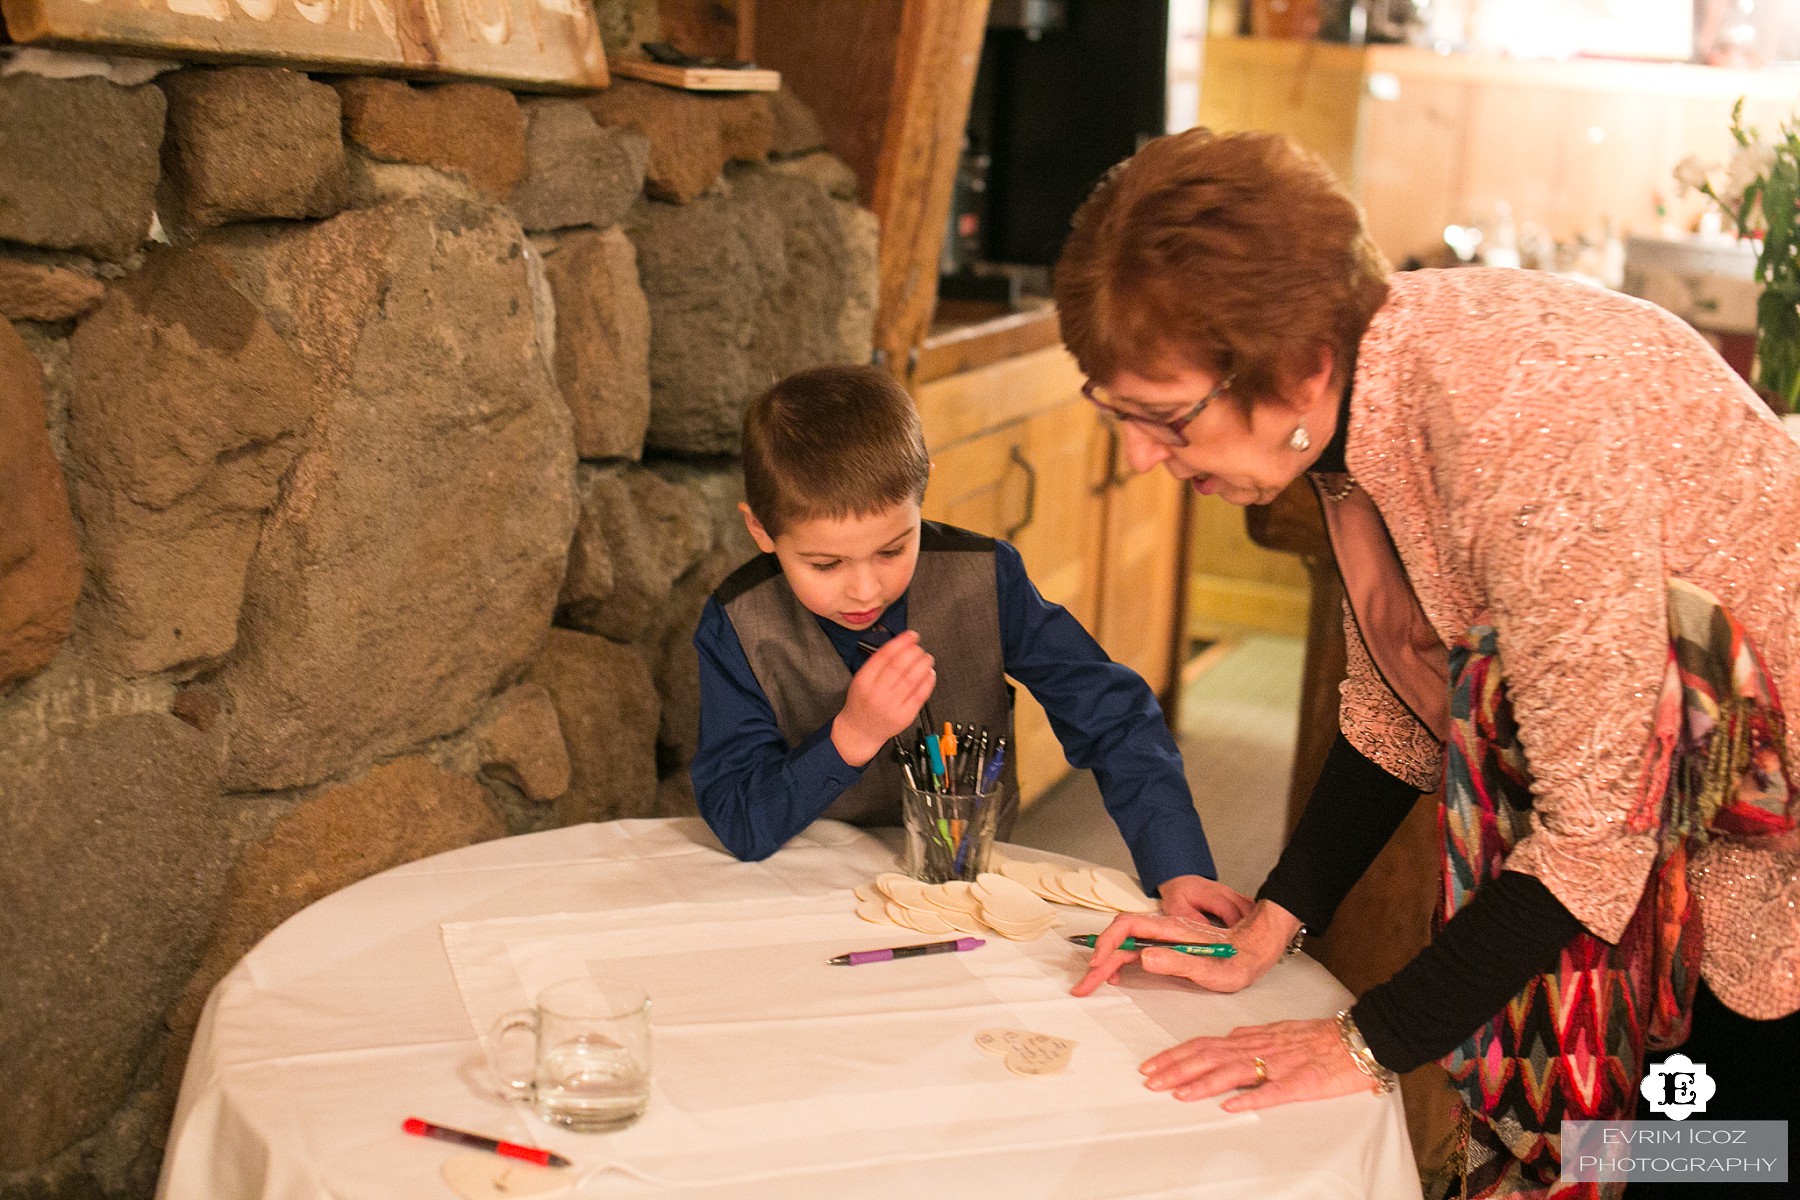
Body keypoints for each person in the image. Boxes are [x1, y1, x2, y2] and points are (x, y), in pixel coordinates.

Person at [1055, 128, 1800, 1198]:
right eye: (1115, 411)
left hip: (1759, 877)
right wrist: (1278, 917)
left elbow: (1591, 840)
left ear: (1297, 368)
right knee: (1627, 1160)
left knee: (1728, 1162)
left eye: (1163, 417)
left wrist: (1359, 1044)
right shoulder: (1357, 400)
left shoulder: (1515, 422)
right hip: (1657, 859)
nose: (1136, 455)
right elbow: (1397, 712)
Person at [689, 364, 1251, 924]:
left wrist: (1179, 866)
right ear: (761, 531)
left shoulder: (987, 578)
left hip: (972, 900)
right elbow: (740, 822)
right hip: (804, 902)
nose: (865, 589)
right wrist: (850, 737)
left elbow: (1114, 718)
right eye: (825, 563)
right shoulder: (737, 626)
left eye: (891, 550)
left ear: (924, 489)